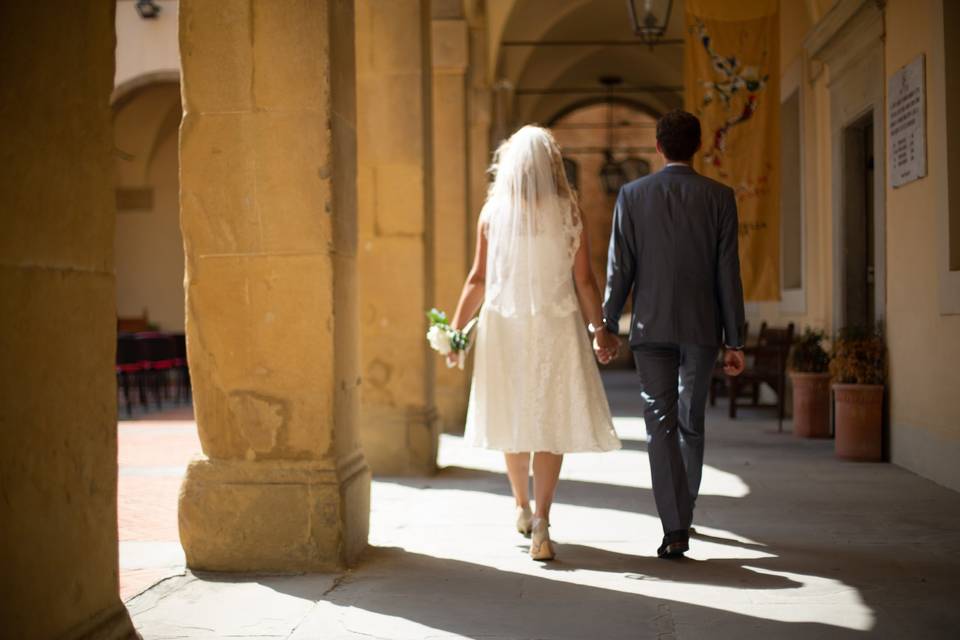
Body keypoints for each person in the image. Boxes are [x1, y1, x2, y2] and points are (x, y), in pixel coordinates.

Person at [448, 125, 622, 562]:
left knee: (514, 416)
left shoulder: (492, 214)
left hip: (505, 330)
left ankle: (521, 507)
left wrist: (455, 330)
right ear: (550, 165)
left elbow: (478, 279)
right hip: (556, 327)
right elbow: (583, 280)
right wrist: (599, 328)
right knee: (550, 421)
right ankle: (543, 519)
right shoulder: (569, 213)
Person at [600, 109, 746, 559]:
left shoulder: (631, 195)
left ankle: (674, 526)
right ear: (697, 146)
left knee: (658, 423)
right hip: (702, 328)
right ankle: (686, 510)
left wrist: (607, 324)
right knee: (691, 421)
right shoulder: (720, 197)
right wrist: (735, 339)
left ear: (658, 147)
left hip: (651, 326)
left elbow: (619, 269)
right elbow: (728, 273)